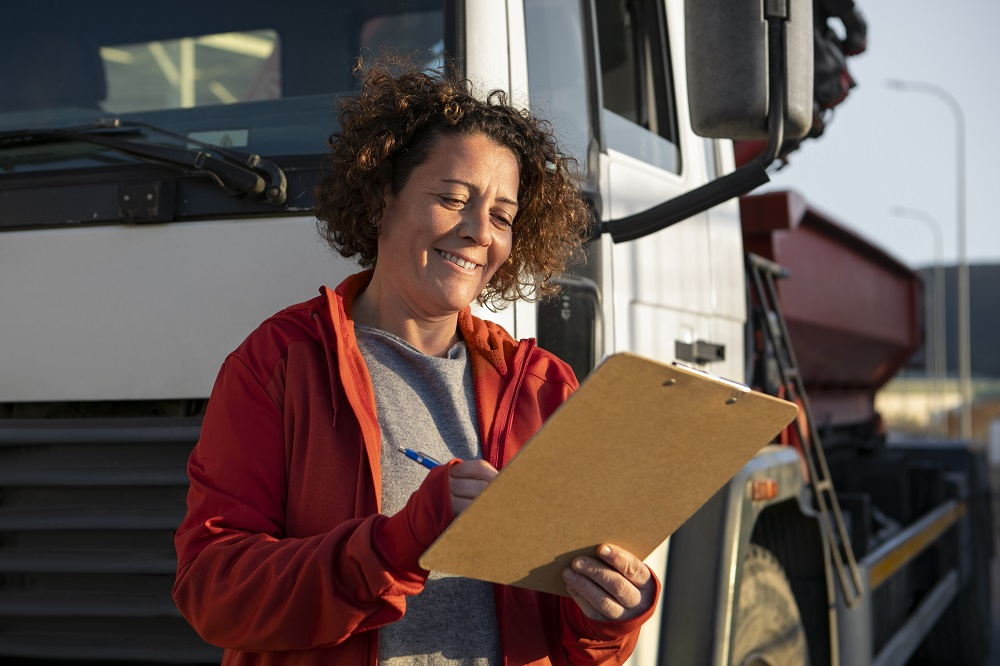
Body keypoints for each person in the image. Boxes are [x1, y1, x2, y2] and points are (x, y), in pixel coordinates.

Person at [172, 59, 659, 665]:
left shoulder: (545, 389)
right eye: (454, 198)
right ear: (382, 198)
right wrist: (396, 543)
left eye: (503, 216)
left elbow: (577, 647)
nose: (481, 232)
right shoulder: (278, 364)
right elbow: (213, 593)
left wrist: (611, 617)